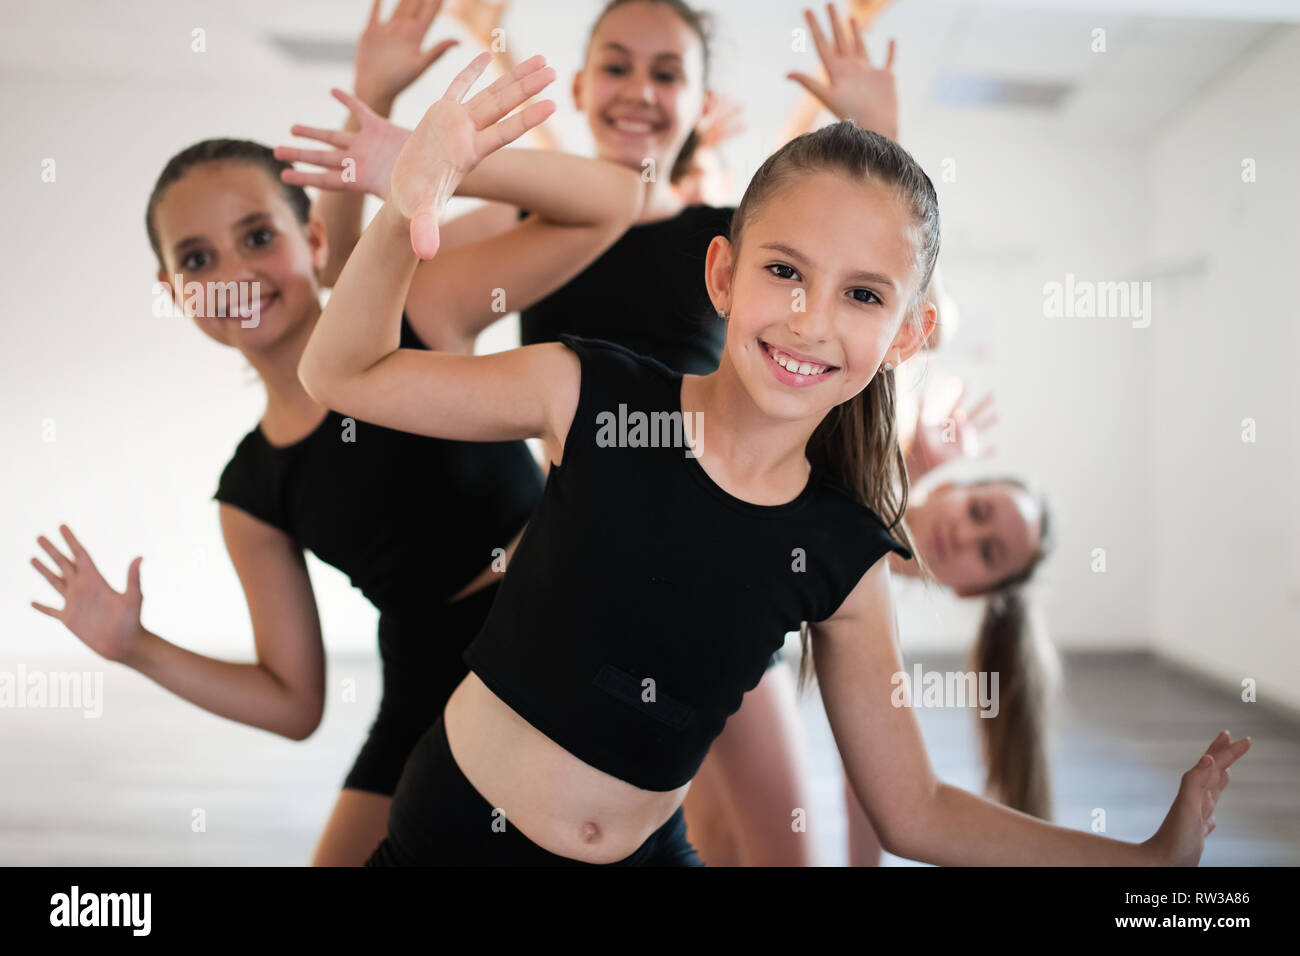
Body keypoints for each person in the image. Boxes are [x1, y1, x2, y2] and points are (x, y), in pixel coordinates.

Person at [300, 50, 1248, 866]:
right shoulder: (589, 392)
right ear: (723, 273)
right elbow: (345, 373)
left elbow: (911, 810)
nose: (810, 320)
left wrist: (1144, 856)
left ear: (910, 334)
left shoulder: (843, 549)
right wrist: (405, 206)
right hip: (456, 839)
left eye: (863, 296)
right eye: (785, 271)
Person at [27, 38, 644, 866]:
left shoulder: (421, 310)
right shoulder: (249, 490)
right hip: (427, 682)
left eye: (256, 237)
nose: (236, 274)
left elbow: (612, 201)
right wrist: (137, 648)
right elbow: (293, 701)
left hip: (550, 625)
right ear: (173, 294)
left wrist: (431, 167)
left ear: (314, 242)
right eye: (197, 260)